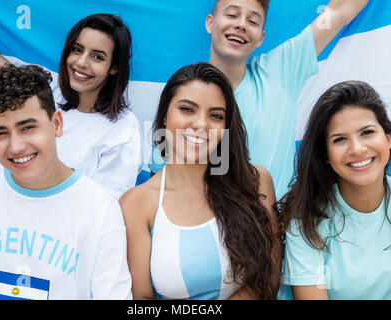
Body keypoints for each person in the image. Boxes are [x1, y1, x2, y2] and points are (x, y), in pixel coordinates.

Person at [150, 0, 369, 201]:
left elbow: (338, 12)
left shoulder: (282, 68)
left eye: (252, 21)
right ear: (210, 23)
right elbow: (159, 185)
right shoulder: (183, 98)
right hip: (207, 231)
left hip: (277, 229)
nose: (241, 25)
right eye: (232, 15)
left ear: (260, 38)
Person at [0, 63, 132, 300]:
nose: (16, 146)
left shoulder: (100, 210)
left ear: (57, 124)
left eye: (28, 128)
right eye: (1, 133)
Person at [120, 62, 281, 300]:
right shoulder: (136, 204)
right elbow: (140, 300)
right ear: (165, 116)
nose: (201, 124)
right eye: (187, 109)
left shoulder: (256, 182)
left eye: (215, 115)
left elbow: (268, 280)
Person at [0, 13, 141, 199]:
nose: (81, 62)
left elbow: (108, 202)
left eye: (97, 57)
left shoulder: (123, 127)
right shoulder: (45, 90)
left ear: (114, 67)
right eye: (77, 50)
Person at [279, 81, 391, 299]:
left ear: (388, 138)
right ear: (326, 155)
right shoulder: (306, 216)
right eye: (340, 139)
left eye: (367, 132)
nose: (357, 149)